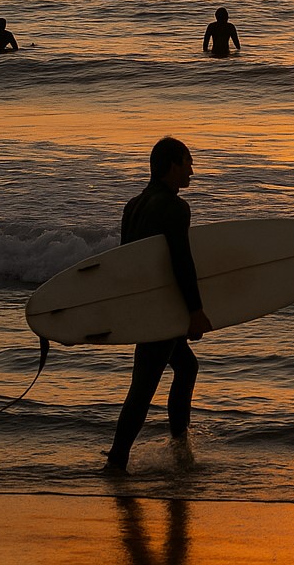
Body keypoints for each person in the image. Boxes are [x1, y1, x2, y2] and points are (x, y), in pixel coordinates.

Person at [105, 137, 213, 475]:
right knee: (143, 387)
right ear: (172, 166)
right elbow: (182, 262)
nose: (192, 170)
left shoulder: (133, 205)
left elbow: (128, 263)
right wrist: (194, 312)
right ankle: (117, 462)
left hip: (145, 305)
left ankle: (181, 452)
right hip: (161, 309)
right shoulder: (174, 207)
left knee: (186, 367)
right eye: (187, 162)